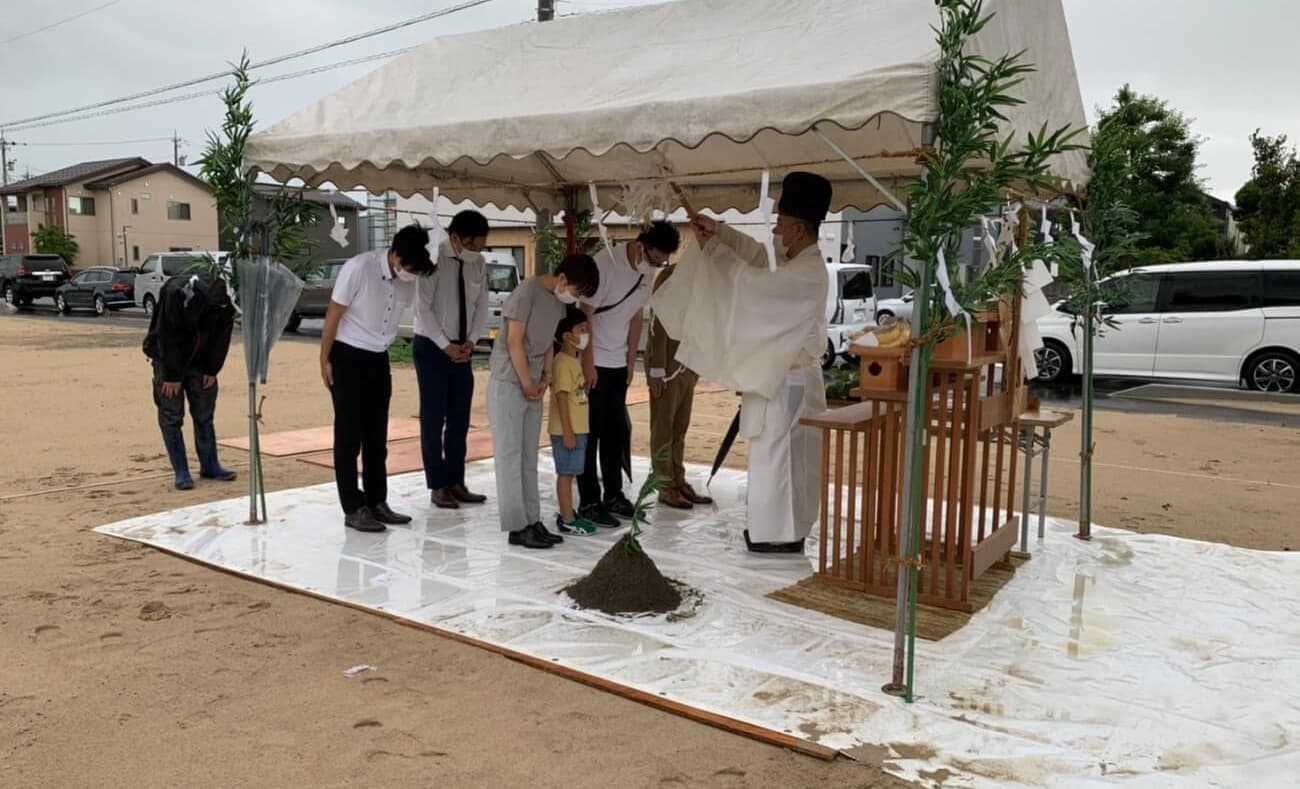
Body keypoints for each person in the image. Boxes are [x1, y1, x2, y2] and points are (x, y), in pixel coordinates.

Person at [653, 172, 832, 554]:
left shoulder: (807, 272)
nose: (778, 231)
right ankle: (771, 529)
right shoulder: (793, 259)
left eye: (782, 224)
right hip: (777, 379)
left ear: (800, 229)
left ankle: (780, 535)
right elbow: (757, 256)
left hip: (790, 382)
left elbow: (755, 286)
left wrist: (716, 254)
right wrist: (718, 233)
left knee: (783, 461)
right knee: (772, 458)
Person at [320, 224, 436, 533]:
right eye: (407, 268)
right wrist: (325, 359)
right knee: (348, 436)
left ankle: (376, 501)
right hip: (347, 355)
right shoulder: (359, 267)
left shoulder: (408, 278)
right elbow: (333, 313)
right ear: (395, 254)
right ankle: (353, 507)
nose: (409, 275)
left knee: (376, 435)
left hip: (377, 358)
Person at [488, 254, 600, 549]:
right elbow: (514, 341)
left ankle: (532, 519)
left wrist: (546, 377)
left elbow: (549, 342)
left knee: (528, 456)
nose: (573, 298)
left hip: (535, 382)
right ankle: (517, 525)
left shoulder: (558, 302)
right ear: (562, 279)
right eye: (575, 291)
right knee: (510, 456)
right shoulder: (525, 293)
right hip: (510, 380)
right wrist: (526, 382)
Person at [578, 220, 680, 527]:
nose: (657, 265)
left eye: (662, 261)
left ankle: (614, 494)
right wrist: (588, 362)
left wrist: (630, 358)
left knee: (615, 432)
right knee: (591, 433)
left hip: (618, 363)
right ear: (641, 245)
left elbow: (636, 315)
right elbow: (585, 314)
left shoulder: (646, 273)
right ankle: (589, 500)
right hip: (594, 359)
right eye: (655, 258)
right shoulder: (605, 263)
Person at [413, 209, 491, 510]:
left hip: (464, 348)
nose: (476, 252)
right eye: (472, 246)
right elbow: (423, 309)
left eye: (480, 247)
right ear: (455, 237)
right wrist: (445, 345)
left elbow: (481, 304)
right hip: (432, 347)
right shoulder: (432, 259)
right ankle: (437, 484)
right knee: (433, 418)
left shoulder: (479, 264)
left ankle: (456, 480)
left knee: (460, 418)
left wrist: (472, 340)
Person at [143, 272, 237, 491]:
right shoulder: (174, 293)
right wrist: (172, 375)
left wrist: (212, 369)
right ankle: (181, 471)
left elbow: (222, 335)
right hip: (168, 359)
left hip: (201, 360)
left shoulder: (227, 299)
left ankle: (210, 465)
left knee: (204, 413)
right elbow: (167, 335)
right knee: (171, 415)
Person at [646, 262, 713, 510]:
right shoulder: (670, 282)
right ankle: (664, 484)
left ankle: (678, 478)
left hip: (687, 365)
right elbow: (657, 327)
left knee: (680, 427)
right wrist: (657, 368)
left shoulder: (700, 287)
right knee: (663, 427)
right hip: (667, 368)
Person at [549, 308, 598, 536]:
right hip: (567, 431)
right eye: (581, 330)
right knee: (566, 474)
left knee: (572, 472)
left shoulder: (573, 361)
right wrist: (568, 431)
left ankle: (570, 512)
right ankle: (567, 518)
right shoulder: (562, 363)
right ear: (567, 336)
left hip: (579, 429)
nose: (585, 334)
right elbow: (561, 396)